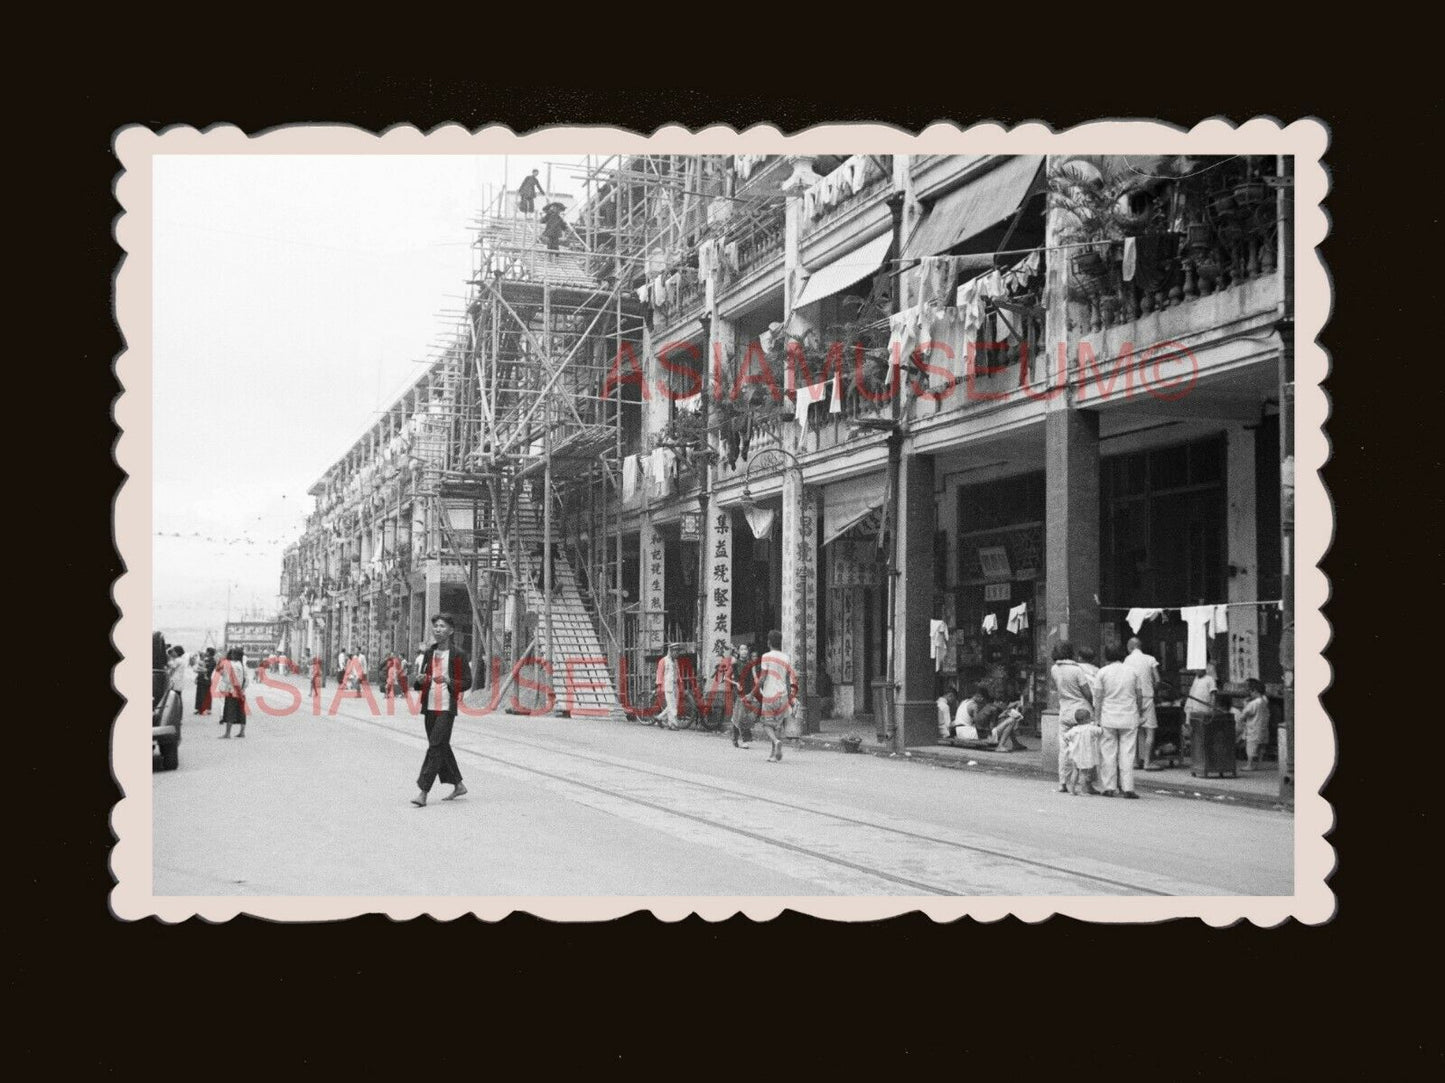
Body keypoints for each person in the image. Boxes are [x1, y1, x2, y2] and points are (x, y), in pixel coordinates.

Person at [410, 613, 472, 807]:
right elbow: (422, 680)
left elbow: (467, 682)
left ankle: (423, 791)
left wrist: (449, 680)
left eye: (442, 626)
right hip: (429, 706)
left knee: (435, 746)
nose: (438, 629)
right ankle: (458, 784)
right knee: (441, 746)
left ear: (451, 631)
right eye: (436, 626)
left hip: (446, 708)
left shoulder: (458, 655)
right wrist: (420, 681)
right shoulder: (429, 653)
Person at [1091, 642, 1144, 798]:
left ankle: (1109, 787)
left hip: (1108, 717)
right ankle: (1128, 788)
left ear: (1106, 656)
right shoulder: (1133, 672)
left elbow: (1098, 697)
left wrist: (1096, 718)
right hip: (1129, 716)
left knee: (1108, 753)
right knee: (1127, 753)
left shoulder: (1102, 672)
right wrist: (1139, 713)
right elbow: (1139, 695)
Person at [1050, 641, 1094, 792]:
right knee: (1085, 748)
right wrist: (1094, 705)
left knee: (1064, 749)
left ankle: (1063, 782)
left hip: (1065, 711)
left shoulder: (1054, 669)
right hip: (1081, 711)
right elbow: (1087, 692)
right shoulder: (1077, 670)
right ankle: (1086, 784)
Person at [757, 629, 796, 762]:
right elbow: (787, 678)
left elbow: (762, 678)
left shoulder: (766, 656)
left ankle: (775, 741)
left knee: (766, 724)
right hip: (782, 694)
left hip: (769, 694)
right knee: (778, 725)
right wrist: (790, 697)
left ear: (769, 642)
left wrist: (753, 692)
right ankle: (773, 753)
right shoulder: (786, 658)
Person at [1123, 636, 1161, 771]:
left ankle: (1135, 761)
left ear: (1130, 648)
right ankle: (1147, 762)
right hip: (1148, 697)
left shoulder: (1127, 660)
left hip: (1133, 699)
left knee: (1135, 730)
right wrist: (1154, 691)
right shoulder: (1150, 659)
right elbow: (1157, 680)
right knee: (1150, 731)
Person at [1062, 706, 1103, 795]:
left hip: (1075, 754)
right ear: (1086, 719)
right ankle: (1083, 791)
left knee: (1075, 772)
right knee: (1084, 773)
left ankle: (1072, 790)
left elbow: (1065, 737)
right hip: (1085, 755)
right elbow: (1100, 731)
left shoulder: (1074, 729)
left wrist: (1070, 744)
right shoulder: (1090, 728)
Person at [1234, 678, 1271, 771]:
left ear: (1254, 691)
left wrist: (1245, 704)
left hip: (1254, 728)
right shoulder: (1264, 700)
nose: (1250, 694)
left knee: (1251, 747)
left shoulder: (1253, 703)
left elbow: (1244, 715)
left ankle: (1249, 764)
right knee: (1261, 746)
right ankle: (1259, 764)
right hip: (1263, 727)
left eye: (1251, 691)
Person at [1183, 662, 1219, 755]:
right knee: (1195, 735)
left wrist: (1212, 708)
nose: (1197, 670)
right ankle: (1196, 755)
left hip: (1204, 711)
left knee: (1204, 734)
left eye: (1199, 668)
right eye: (1195, 669)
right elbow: (1192, 695)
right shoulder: (1196, 679)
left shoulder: (1210, 679)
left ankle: (1206, 754)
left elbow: (1213, 695)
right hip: (1193, 711)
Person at [215, 647, 250, 739]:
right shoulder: (243, 666)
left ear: (234, 655)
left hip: (232, 691)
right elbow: (247, 681)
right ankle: (242, 732)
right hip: (241, 692)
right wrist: (242, 689)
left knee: (229, 711)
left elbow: (222, 674)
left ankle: (227, 733)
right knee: (241, 712)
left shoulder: (230, 665)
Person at [655, 643, 682, 730]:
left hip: (675, 685)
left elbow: (677, 673)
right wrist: (659, 685)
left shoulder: (675, 661)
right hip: (667, 685)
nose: (677, 654)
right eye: (675, 651)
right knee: (672, 706)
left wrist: (680, 682)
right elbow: (659, 673)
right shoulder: (663, 661)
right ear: (671, 651)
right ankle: (673, 724)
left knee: (673, 705)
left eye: (678, 652)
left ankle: (659, 717)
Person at [194, 647, 216, 715]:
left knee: (205, 694)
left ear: (209, 653)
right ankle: (199, 708)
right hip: (201, 679)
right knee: (199, 694)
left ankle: (206, 709)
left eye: (206, 651)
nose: (205, 653)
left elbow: (208, 670)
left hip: (206, 679)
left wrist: (198, 670)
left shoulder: (212, 661)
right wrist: (197, 677)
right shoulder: (205, 660)